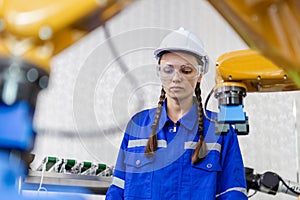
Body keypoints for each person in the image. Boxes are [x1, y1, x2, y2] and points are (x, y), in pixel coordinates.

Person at [105, 28, 248, 200]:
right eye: (168, 70)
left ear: (200, 74)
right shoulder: (138, 126)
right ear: (159, 72)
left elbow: (232, 194)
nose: (176, 78)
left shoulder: (220, 129)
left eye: (186, 70)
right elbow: (117, 191)